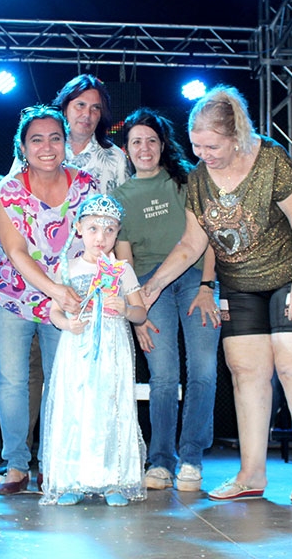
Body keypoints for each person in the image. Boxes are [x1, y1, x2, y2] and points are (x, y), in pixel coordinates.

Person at [140, 85, 292, 505]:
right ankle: (251, 474)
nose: (203, 154)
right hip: (240, 280)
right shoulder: (198, 179)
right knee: (246, 371)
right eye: (196, 145)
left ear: (236, 136)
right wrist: (152, 286)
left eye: (212, 146)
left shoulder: (270, 159)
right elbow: (193, 242)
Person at [0, 105, 99, 495]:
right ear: (22, 146)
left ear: (66, 143)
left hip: (67, 299)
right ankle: (16, 465)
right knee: (13, 380)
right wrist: (54, 290)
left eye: (55, 138)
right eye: (36, 139)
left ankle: (53, 465)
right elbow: (17, 253)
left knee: (61, 381)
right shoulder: (7, 193)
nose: (47, 147)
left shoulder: (86, 187)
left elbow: (99, 241)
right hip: (15, 295)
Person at [111, 108, 220, 493]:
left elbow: (209, 237)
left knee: (204, 369)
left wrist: (207, 286)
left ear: (162, 145)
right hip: (147, 287)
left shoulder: (187, 181)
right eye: (136, 142)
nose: (144, 148)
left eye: (151, 141)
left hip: (194, 281)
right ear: (126, 149)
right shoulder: (119, 197)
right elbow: (124, 263)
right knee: (163, 377)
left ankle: (191, 457)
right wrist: (137, 315)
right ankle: (161, 461)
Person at [40, 194, 148, 507]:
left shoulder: (122, 270)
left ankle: (113, 480)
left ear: (117, 233)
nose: (101, 237)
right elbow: (53, 311)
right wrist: (66, 323)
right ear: (79, 229)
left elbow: (140, 313)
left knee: (110, 407)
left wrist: (125, 308)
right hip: (77, 347)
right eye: (93, 229)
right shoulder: (67, 269)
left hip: (112, 348)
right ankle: (72, 479)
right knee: (76, 408)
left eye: (109, 230)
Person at [53, 74, 130, 194]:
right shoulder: (44, 151)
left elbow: (127, 202)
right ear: (64, 108)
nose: (87, 114)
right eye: (81, 105)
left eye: (95, 108)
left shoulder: (116, 158)